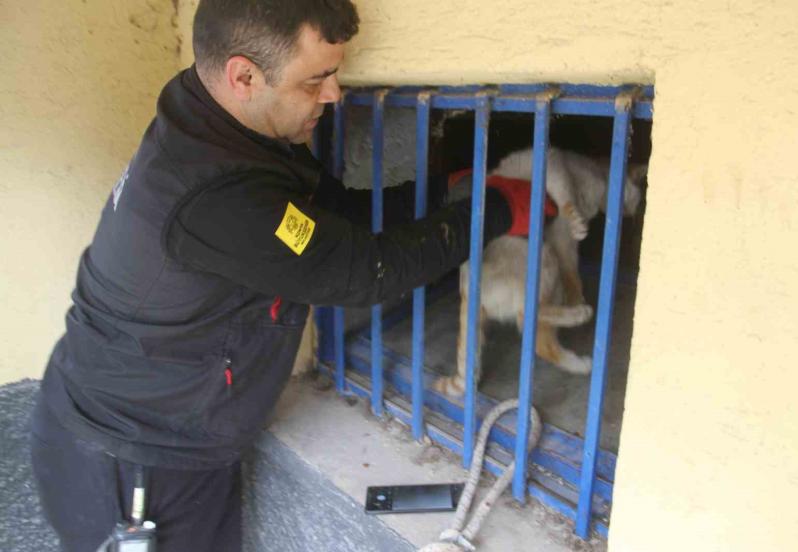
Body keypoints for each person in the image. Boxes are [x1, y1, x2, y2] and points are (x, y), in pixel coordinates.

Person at [29, 1, 554, 550]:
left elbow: (335, 218)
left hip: (165, 431)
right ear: (243, 77)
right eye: (314, 80)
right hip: (134, 463)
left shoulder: (219, 122)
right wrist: (494, 211)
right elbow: (367, 271)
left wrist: (447, 190)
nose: (334, 95)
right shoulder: (211, 195)